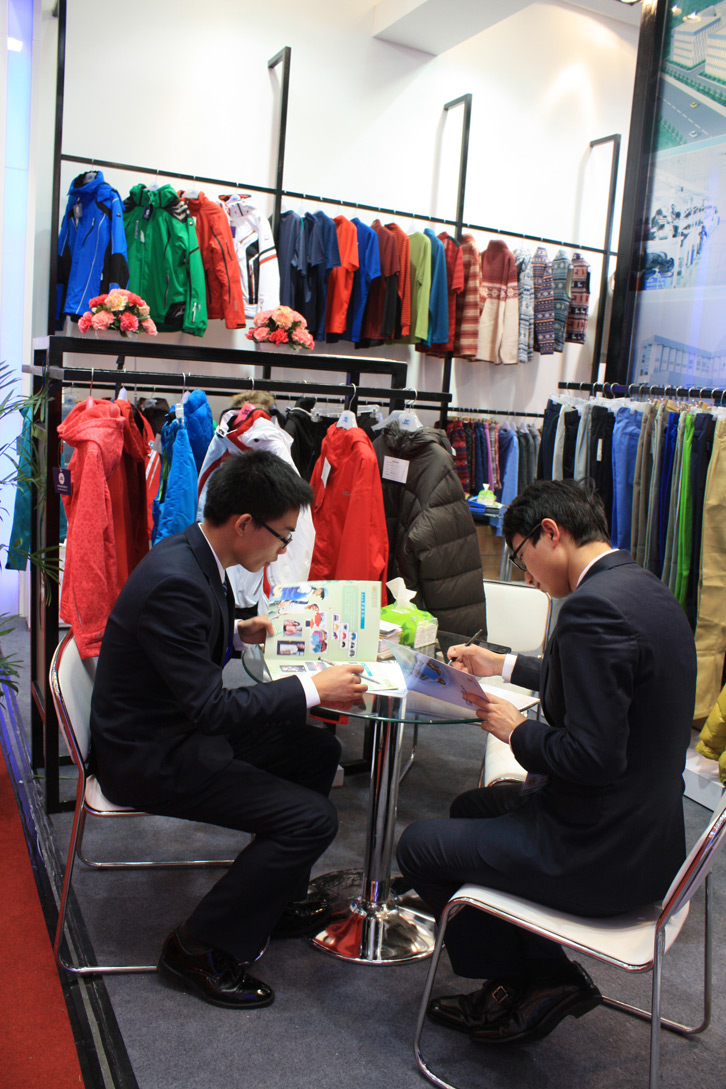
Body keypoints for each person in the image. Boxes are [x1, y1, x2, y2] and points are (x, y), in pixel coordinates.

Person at [397, 478, 696, 1045]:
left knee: (418, 847)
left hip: (599, 851)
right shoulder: (641, 589)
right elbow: (600, 685)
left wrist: (519, 732)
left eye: (520, 556)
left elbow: (593, 757)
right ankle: (538, 970)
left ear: (550, 533)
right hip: (648, 836)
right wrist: (502, 665)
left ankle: (532, 982)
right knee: (473, 806)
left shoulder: (591, 610)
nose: (527, 576)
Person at [90, 450, 367, 1010]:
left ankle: (274, 897)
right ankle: (198, 948)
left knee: (316, 751)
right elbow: (212, 710)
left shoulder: (193, 555)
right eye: (283, 536)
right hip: (149, 756)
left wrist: (239, 634)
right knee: (312, 819)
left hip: (170, 728)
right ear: (244, 524)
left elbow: (183, 653)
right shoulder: (177, 581)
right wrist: (313, 688)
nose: (284, 549)